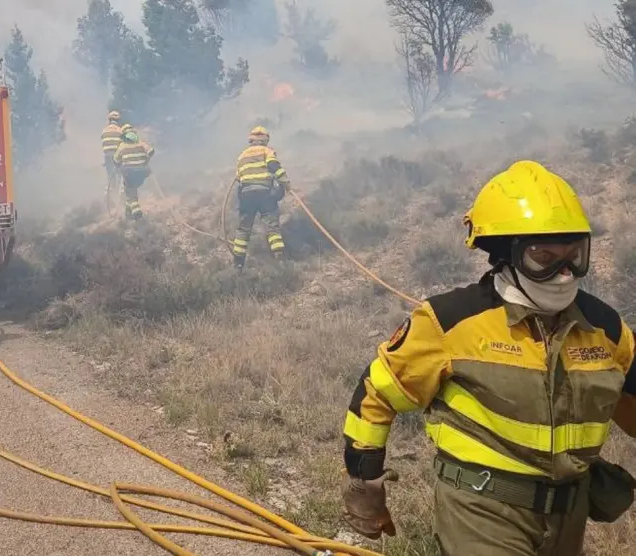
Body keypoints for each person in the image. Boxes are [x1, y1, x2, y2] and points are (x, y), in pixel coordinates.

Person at [340, 160, 636, 555]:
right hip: (482, 511)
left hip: (570, 513)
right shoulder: (450, 322)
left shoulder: (607, 329)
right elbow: (376, 392)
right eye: (544, 258)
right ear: (506, 255)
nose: (565, 273)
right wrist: (366, 482)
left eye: (574, 255)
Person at [230, 126, 290, 268]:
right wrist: (286, 184)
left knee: (243, 230)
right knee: (272, 227)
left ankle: (238, 264)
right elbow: (275, 167)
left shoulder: (242, 156)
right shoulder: (267, 151)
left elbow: (239, 178)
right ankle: (280, 259)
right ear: (265, 139)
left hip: (246, 196)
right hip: (265, 195)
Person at [112, 124, 154, 220]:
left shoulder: (122, 146)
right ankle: (128, 211)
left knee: (131, 191)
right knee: (131, 191)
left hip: (129, 173)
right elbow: (151, 151)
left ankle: (136, 211)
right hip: (142, 173)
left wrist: (119, 165)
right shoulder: (141, 143)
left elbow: (115, 160)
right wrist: (146, 160)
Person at [101, 111, 123, 190]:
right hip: (117, 157)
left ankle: (109, 191)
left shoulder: (104, 131)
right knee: (121, 174)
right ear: (118, 120)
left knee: (110, 176)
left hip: (107, 157)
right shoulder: (120, 131)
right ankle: (121, 192)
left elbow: (104, 145)